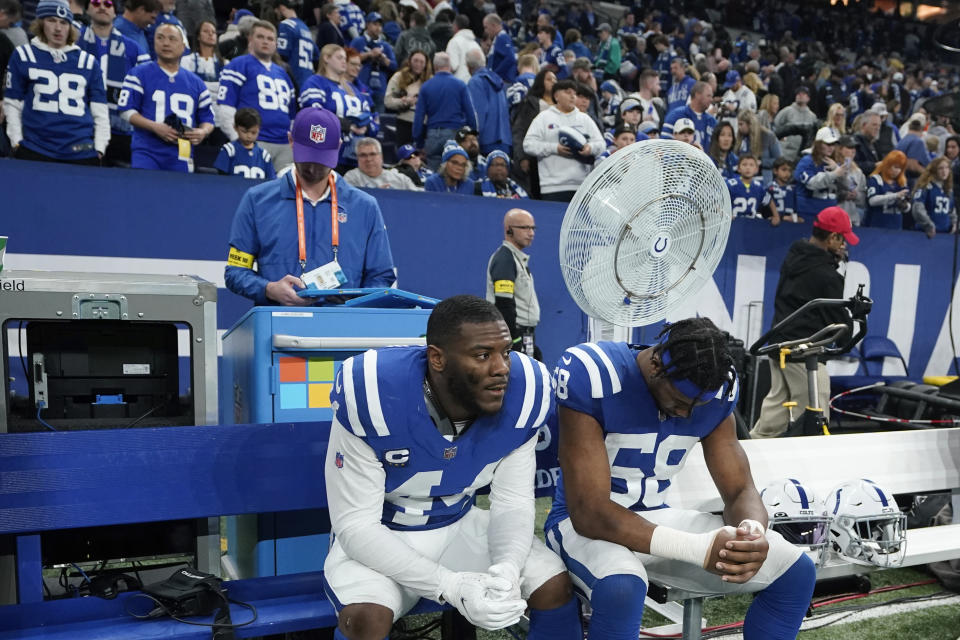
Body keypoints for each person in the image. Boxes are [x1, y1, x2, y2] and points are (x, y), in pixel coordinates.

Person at [324, 295, 582, 640]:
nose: (502, 368)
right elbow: (356, 525)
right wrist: (450, 585)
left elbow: (513, 503)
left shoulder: (526, 392)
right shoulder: (374, 392)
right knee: (365, 619)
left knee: (553, 585)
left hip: (458, 524)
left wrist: (506, 566)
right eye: (482, 355)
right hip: (385, 534)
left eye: (505, 352)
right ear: (437, 358)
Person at [548, 317, 817, 638]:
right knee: (622, 586)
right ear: (656, 365)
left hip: (656, 517)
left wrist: (752, 532)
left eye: (697, 405)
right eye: (678, 401)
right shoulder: (594, 374)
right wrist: (697, 548)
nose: (686, 414)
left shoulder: (714, 388)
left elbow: (739, 489)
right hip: (580, 527)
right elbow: (589, 513)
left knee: (795, 570)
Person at [225, 108, 396, 305]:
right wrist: (269, 289)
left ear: (339, 146)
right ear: (290, 141)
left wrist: (353, 301)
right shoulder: (257, 200)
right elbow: (235, 272)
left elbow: (382, 276)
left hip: (342, 328)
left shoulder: (365, 207)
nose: (313, 168)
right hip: (279, 322)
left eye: (322, 161)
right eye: (306, 160)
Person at [752, 207, 858, 438]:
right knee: (815, 415)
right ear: (832, 238)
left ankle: (750, 453)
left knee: (775, 415)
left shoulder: (794, 256)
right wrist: (851, 320)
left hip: (779, 348)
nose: (844, 246)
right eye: (842, 240)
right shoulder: (828, 276)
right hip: (805, 354)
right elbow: (838, 324)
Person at [4, 0, 109, 165]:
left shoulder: (87, 61)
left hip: (80, 150)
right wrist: (16, 142)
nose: (58, 28)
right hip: (35, 148)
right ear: (40, 23)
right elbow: (12, 103)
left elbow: (100, 109)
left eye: (63, 22)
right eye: (51, 20)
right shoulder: (24, 55)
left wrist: (100, 147)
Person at [118, 22, 213, 171]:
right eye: (160, 38)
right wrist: (155, 127)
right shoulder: (139, 73)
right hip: (147, 150)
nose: (166, 43)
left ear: (183, 46)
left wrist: (202, 132)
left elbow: (207, 119)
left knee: (178, 193)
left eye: (172, 39)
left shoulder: (197, 83)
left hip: (182, 152)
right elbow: (126, 111)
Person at [217, 20, 296, 171]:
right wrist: (240, 141)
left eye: (270, 38)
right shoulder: (238, 65)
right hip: (255, 140)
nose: (266, 41)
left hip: (284, 145)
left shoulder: (283, 73)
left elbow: (292, 115)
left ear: (276, 44)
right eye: (260, 37)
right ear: (250, 40)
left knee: (284, 190)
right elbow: (226, 107)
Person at [77, 0, 147, 167]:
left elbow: (147, 85)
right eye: (96, 2)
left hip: (120, 131)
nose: (102, 7)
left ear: (115, 12)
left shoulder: (133, 48)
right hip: (81, 127)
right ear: (87, 9)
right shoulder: (74, 41)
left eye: (108, 4)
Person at [522, 78, 604, 202]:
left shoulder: (584, 119)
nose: (572, 96)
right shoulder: (543, 118)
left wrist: (589, 148)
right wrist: (554, 148)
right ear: (556, 96)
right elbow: (528, 145)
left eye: (574, 93)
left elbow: (601, 144)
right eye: (567, 92)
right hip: (552, 187)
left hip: (581, 186)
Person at [485, 209, 539, 358]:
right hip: (515, 334)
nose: (531, 233)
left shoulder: (515, 258)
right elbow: (503, 303)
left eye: (533, 228)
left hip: (524, 334)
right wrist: (513, 339)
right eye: (525, 228)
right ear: (508, 230)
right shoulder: (505, 259)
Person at [412, 51, 477, 170]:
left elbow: (418, 117)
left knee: (433, 175)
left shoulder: (426, 87)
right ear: (450, 66)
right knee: (454, 171)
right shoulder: (460, 85)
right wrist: (473, 135)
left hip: (432, 135)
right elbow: (471, 114)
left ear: (435, 67)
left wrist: (419, 142)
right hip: (454, 134)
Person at [794, 127, 849, 219]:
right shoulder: (806, 161)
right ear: (818, 144)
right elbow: (812, 184)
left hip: (830, 212)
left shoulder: (833, 163)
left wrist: (837, 169)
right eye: (828, 144)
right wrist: (834, 174)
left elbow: (850, 186)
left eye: (833, 144)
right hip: (808, 211)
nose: (831, 148)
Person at [466, 48, 510, 155]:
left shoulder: (475, 82)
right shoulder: (498, 80)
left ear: (468, 67)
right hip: (505, 141)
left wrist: (473, 139)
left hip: (487, 142)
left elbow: (478, 114)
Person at [349, 11, 396, 112]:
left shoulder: (386, 46)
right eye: (375, 24)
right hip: (360, 86)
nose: (378, 27)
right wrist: (369, 54)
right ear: (367, 25)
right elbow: (349, 59)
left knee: (378, 121)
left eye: (380, 25)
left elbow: (394, 66)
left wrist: (383, 59)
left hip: (380, 89)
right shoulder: (358, 41)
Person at [384, 48, 431, 146]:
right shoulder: (399, 77)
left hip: (424, 124)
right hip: (404, 122)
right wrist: (403, 102)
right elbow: (388, 101)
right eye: (415, 61)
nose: (418, 64)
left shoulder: (431, 80)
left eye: (422, 62)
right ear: (409, 61)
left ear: (426, 64)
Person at [213, 107, 275, 179]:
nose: (249, 136)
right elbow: (220, 179)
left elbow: (271, 180)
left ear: (259, 129)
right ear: (235, 127)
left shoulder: (264, 155)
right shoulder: (229, 151)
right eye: (245, 131)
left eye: (253, 132)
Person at [344, 136, 420, 190]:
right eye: (363, 155)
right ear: (357, 158)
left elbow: (417, 201)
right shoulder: (351, 178)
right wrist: (378, 194)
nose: (369, 159)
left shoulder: (401, 180)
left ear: (381, 157)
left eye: (372, 154)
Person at [275, 0, 319, 92]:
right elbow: (316, 57)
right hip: (307, 80)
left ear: (282, 8)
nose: (276, 14)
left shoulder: (286, 24)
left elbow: (282, 55)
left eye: (276, 10)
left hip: (293, 79)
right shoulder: (305, 27)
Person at [661, 80, 715, 149]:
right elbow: (664, 144)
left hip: (706, 159)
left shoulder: (712, 121)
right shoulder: (676, 115)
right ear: (697, 95)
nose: (711, 99)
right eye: (708, 96)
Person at [912, 156, 957, 238]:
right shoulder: (925, 187)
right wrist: (929, 225)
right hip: (925, 234)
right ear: (934, 170)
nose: (944, 171)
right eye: (940, 168)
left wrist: (954, 223)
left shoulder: (948, 190)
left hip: (945, 234)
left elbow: (951, 210)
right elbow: (917, 208)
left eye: (947, 168)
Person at [864, 150, 910, 229]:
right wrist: (895, 196)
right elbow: (872, 201)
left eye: (900, 168)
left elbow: (908, 206)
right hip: (877, 225)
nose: (897, 171)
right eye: (895, 167)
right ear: (888, 165)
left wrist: (905, 206)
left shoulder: (902, 183)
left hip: (896, 225)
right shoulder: (875, 179)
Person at [728, 153, 778, 224]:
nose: (748, 167)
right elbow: (718, 201)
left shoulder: (758, 187)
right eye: (744, 164)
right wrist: (724, 214)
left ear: (756, 169)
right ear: (738, 168)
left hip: (751, 225)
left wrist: (776, 216)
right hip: (733, 224)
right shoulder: (730, 184)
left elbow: (769, 200)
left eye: (751, 165)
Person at [773, 85, 818, 162]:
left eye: (803, 94)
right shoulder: (786, 111)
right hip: (785, 151)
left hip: (802, 152)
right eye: (798, 94)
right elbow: (775, 126)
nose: (800, 95)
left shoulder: (812, 116)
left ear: (808, 98)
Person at [736, 108, 781, 184]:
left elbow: (779, 161)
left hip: (764, 178)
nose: (739, 127)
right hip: (741, 178)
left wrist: (761, 162)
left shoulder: (768, 136)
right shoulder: (740, 138)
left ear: (750, 124)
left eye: (741, 124)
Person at [834, 135, 866, 227]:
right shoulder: (833, 168)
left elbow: (862, 197)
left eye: (854, 147)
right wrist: (843, 195)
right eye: (849, 147)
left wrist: (856, 195)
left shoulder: (858, 171)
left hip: (852, 217)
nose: (853, 150)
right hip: (835, 216)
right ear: (840, 149)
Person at [180, 20, 221, 90]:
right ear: (198, 36)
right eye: (206, 31)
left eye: (213, 32)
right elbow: (186, 85)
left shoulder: (225, 64)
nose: (211, 34)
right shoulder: (186, 60)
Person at [445, 13, 479, 83]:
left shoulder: (454, 42)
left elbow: (453, 65)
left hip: (458, 84)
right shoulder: (475, 44)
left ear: (455, 26)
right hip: (474, 83)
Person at [483, 13, 514, 84]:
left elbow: (511, 58)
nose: (485, 31)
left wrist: (495, 74)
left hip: (503, 81)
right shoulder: (497, 38)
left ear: (493, 25)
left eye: (486, 27)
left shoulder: (502, 37)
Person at [766, 157, 800, 222]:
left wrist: (795, 218)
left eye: (789, 170)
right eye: (784, 170)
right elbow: (765, 210)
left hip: (789, 224)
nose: (787, 173)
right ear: (775, 171)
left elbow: (796, 210)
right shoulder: (769, 189)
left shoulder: (793, 190)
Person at [854, 110, 882, 176]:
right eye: (874, 125)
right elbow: (854, 165)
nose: (877, 128)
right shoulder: (854, 142)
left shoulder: (875, 143)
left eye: (879, 125)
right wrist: (874, 166)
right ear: (864, 125)